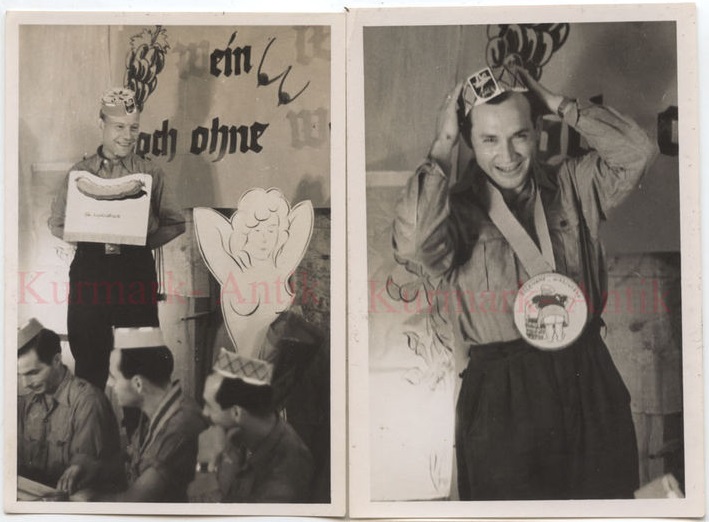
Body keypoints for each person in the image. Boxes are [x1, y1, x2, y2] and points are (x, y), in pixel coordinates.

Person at [392, 65, 658, 500]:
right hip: (504, 393)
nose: (508, 155)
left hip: (586, 370)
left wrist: (555, 103)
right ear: (468, 141)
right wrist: (442, 144)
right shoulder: (453, 212)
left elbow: (638, 153)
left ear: (537, 131)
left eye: (519, 135)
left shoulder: (572, 185)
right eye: (489, 140)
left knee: (608, 503)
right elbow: (413, 243)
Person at [48, 87, 185, 391]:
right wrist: (89, 234)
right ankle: (91, 420)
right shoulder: (79, 173)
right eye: (119, 127)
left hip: (134, 270)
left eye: (134, 128)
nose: (128, 135)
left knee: (141, 362)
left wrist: (137, 241)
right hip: (90, 270)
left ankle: (139, 422)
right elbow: (56, 223)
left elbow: (176, 223)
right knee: (89, 361)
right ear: (102, 124)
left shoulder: (150, 172)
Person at [71, 327, 207, 502]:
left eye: (115, 377)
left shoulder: (181, 425)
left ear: (138, 384)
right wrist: (94, 468)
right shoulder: (156, 411)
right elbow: (131, 459)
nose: (110, 384)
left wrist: (89, 500)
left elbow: (134, 500)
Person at [187, 349, 314, 503]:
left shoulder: (286, 474)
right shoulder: (239, 435)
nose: (204, 412)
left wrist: (205, 464)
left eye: (209, 406)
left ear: (236, 413)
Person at [17, 318, 123, 495]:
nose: (25, 383)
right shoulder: (26, 403)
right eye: (20, 375)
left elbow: (84, 469)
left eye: (33, 373)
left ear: (57, 360)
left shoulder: (88, 401)